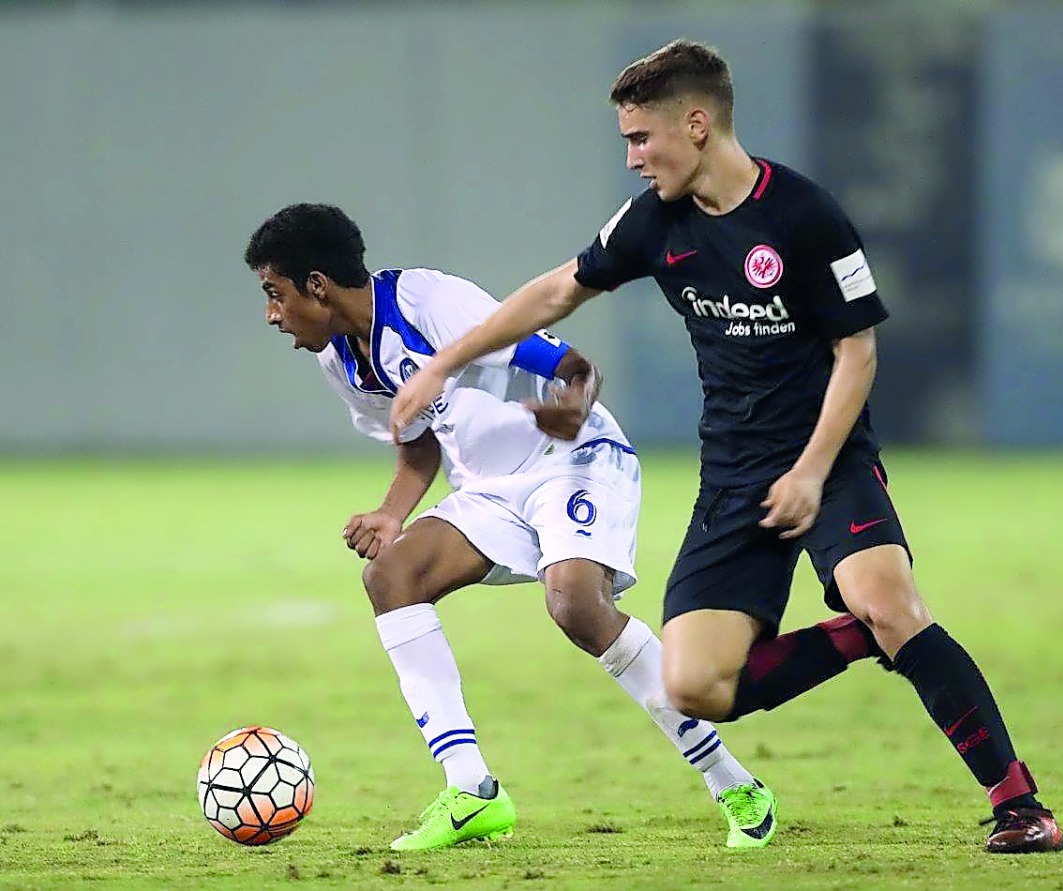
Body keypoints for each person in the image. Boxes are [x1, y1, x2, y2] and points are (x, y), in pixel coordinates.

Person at [389, 40, 1063, 854]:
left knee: (891, 601)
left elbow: (858, 353)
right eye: (627, 143)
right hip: (735, 476)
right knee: (696, 683)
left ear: (697, 125)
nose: (634, 159)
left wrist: (814, 471)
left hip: (830, 457)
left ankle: (1019, 804)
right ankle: (855, 635)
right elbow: (557, 290)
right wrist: (445, 361)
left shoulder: (805, 216)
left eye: (642, 139)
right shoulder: (654, 223)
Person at [244, 202, 777, 851]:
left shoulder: (430, 302)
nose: (272, 314)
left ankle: (733, 782)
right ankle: (471, 791)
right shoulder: (341, 361)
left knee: (578, 606)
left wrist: (569, 413)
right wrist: (391, 513)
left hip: (572, 459)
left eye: (275, 294)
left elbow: (576, 369)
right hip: (490, 489)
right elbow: (417, 440)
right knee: (391, 576)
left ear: (317, 285)